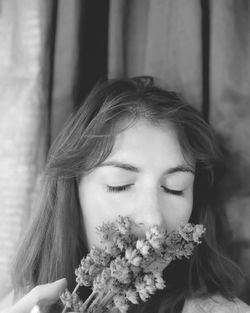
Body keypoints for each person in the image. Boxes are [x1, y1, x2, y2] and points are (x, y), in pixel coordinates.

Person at [1, 77, 249, 313]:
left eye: (175, 188)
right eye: (121, 185)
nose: (154, 222)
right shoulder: (18, 304)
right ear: (72, 193)